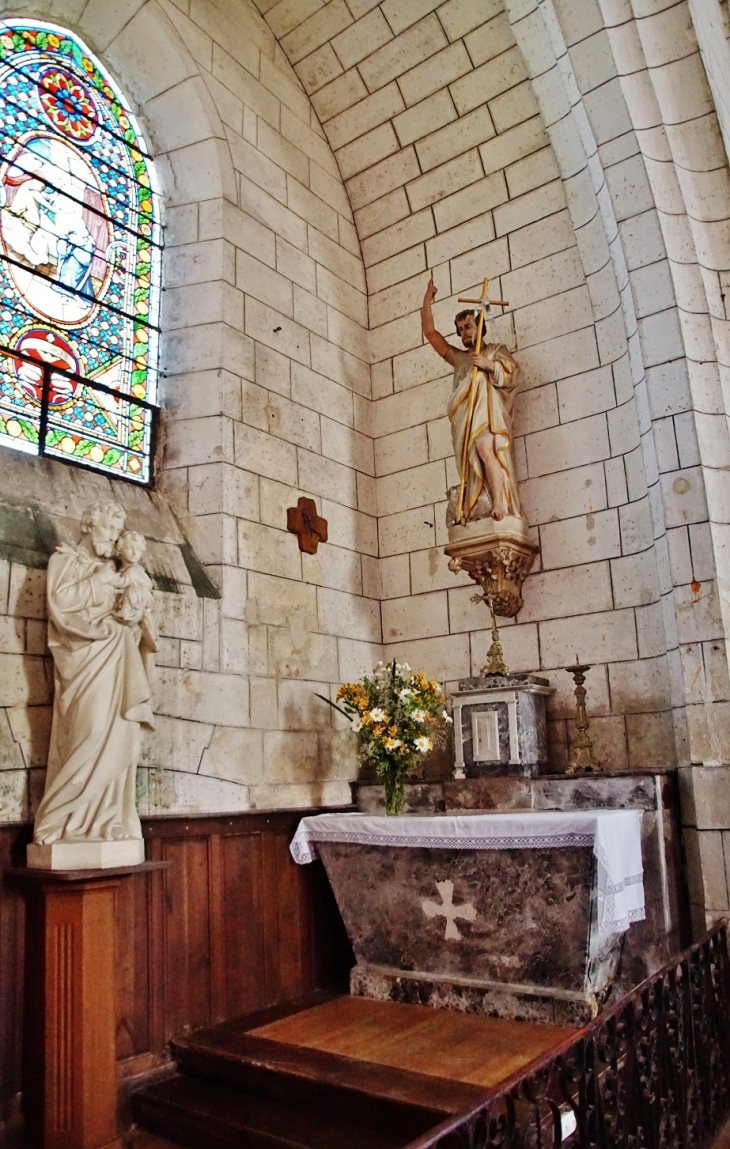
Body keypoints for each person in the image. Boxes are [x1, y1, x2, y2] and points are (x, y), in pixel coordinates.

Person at [33, 501, 155, 847]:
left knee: (118, 730)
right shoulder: (65, 561)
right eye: (107, 529)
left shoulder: (117, 570)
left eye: (118, 532)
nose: (112, 537)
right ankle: (62, 817)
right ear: (88, 525)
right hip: (84, 662)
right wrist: (99, 582)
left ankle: (108, 819)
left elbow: (133, 613)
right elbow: (60, 605)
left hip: (117, 657)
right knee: (90, 731)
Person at [421, 275, 523, 523]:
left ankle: (500, 502)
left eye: (468, 326)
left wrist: (489, 365)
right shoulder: (458, 358)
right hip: (464, 422)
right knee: (473, 460)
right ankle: (480, 504)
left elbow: (515, 374)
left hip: (488, 419)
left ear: (479, 327)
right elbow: (431, 333)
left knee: (486, 448)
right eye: (460, 329)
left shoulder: (496, 351)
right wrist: (426, 302)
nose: (463, 333)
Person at [114, 529, 157, 680]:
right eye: (130, 548)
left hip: (135, 608)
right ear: (120, 549)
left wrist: (103, 578)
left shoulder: (133, 569)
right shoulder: (125, 569)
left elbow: (121, 582)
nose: (134, 552)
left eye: (138, 549)